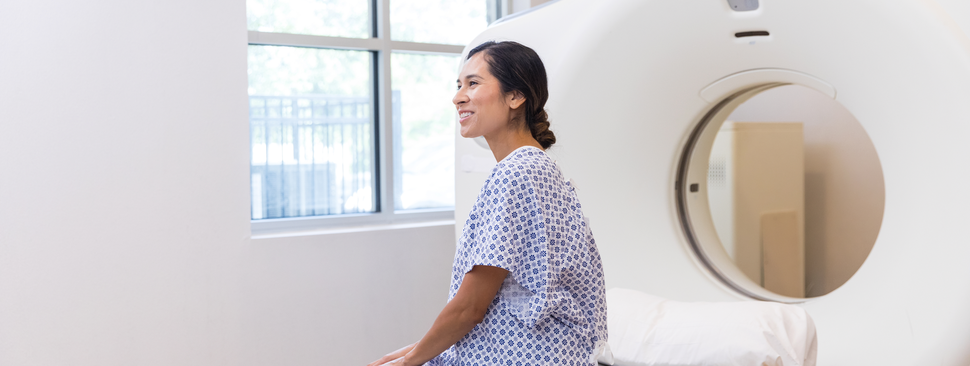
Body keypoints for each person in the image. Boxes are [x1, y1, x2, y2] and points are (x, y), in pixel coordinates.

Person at [367, 41, 608, 366]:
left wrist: (411, 361)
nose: (458, 96)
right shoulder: (539, 166)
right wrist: (419, 350)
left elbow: (470, 308)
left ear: (515, 96)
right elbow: (507, 301)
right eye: (458, 85)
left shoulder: (516, 172)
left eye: (473, 83)